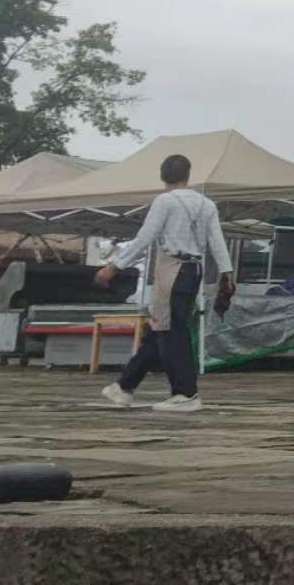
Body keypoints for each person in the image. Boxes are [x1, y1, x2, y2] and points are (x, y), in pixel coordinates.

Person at [94, 153, 235, 411]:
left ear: (163, 175)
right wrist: (227, 273)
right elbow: (217, 242)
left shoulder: (164, 201)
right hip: (195, 270)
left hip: (172, 268)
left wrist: (114, 266)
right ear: (188, 175)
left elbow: (144, 238)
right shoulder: (207, 205)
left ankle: (186, 393)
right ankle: (124, 386)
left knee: (172, 331)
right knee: (161, 328)